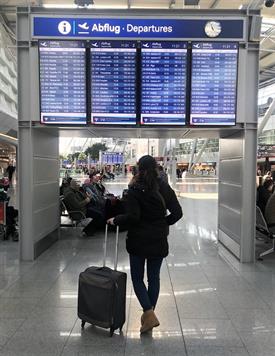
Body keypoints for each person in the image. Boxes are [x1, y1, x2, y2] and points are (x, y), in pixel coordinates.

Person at [107, 155, 182, 334]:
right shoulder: (164, 187)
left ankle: (149, 314)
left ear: (139, 168)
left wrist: (115, 219)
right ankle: (150, 316)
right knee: (153, 278)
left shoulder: (134, 189)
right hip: (158, 240)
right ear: (156, 168)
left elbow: (133, 217)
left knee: (137, 278)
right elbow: (177, 213)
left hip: (138, 240)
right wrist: (163, 223)